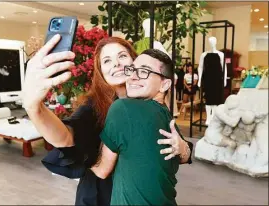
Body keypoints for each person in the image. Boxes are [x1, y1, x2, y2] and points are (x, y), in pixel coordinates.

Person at [22, 35, 192, 205]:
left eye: (122, 56)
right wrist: (34, 108)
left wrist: (183, 148)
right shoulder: (94, 106)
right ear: (101, 71)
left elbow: (181, 148)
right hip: (99, 197)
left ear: (135, 62)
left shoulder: (149, 102)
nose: (116, 64)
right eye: (107, 61)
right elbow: (66, 136)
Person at [90, 49, 190, 205]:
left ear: (165, 84)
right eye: (132, 70)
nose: (132, 76)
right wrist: (184, 149)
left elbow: (102, 170)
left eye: (144, 71)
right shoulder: (165, 115)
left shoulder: (123, 108)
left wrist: (79, 164)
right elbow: (186, 157)